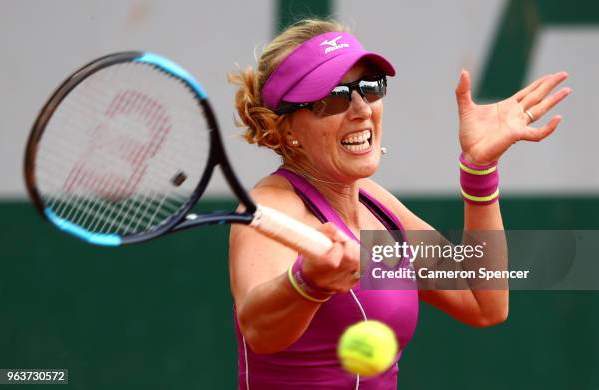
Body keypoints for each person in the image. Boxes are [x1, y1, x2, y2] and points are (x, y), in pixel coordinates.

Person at [228, 19, 570, 389]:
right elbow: (260, 330)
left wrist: (480, 170)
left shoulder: (374, 203)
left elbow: (482, 300)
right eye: (334, 97)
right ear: (287, 128)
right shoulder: (272, 209)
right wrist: (309, 283)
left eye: (370, 88)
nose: (361, 109)